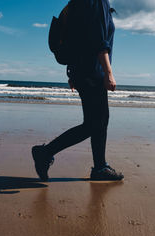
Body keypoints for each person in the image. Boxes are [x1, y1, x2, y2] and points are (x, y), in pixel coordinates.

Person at [32, 0, 123, 181]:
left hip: (82, 71)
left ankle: (100, 167)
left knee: (98, 121)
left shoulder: (79, 3)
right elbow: (99, 41)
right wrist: (108, 73)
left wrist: (73, 74)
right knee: (95, 123)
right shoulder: (96, 1)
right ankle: (45, 152)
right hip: (92, 72)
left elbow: (77, 39)